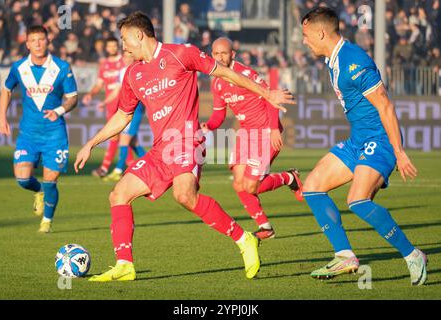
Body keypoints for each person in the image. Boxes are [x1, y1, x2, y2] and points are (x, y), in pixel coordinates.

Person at [74, 11, 293, 282]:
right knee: (118, 195)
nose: (123, 46)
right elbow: (123, 116)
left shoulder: (181, 54)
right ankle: (124, 264)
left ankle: (243, 239)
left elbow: (224, 72)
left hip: (187, 142)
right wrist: (91, 144)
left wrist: (266, 93)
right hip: (159, 150)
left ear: (139, 35)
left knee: (184, 195)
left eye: (124, 39)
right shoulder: (133, 74)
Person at [300, 7, 427, 285]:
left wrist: (399, 151)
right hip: (358, 139)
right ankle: (344, 255)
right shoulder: (333, 60)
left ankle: (412, 254)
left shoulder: (354, 61)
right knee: (311, 187)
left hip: (379, 140)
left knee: (357, 200)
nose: (304, 41)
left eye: (306, 35)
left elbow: (385, 105)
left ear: (321, 32)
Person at [200, 37, 303, 240]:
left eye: (224, 53)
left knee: (250, 186)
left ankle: (289, 177)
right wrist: (209, 126)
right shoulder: (217, 83)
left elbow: (271, 98)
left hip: (265, 131)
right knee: (238, 184)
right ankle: (265, 227)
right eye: (216, 54)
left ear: (233, 54)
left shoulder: (246, 74)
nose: (220, 57)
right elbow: (219, 113)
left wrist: (274, 128)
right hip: (246, 134)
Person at [0, 25, 78, 233]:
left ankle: (47, 221)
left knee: (51, 180)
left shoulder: (62, 68)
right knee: (23, 179)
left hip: (54, 134)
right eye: (33, 40)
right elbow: (6, 89)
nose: (38, 44)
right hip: (29, 134)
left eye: (41, 39)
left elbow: (72, 98)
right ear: (27, 44)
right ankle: (39, 191)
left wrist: (59, 110)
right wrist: (1, 117)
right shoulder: (19, 68)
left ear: (48, 41)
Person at [82, 37, 132, 178]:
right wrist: (90, 94)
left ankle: (105, 168)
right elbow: (99, 84)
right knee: (124, 138)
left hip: (124, 102)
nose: (112, 48)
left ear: (118, 47)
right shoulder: (104, 65)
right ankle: (132, 166)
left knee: (119, 136)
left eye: (114, 46)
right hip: (111, 104)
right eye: (109, 46)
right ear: (106, 48)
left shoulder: (125, 60)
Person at [103, 52, 147, 183]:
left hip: (137, 109)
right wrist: (104, 102)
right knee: (133, 142)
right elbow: (117, 90)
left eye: (129, 57)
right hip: (128, 110)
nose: (127, 59)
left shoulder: (141, 70)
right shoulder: (122, 71)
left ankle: (118, 170)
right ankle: (154, 167)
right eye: (125, 57)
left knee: (124, 140)